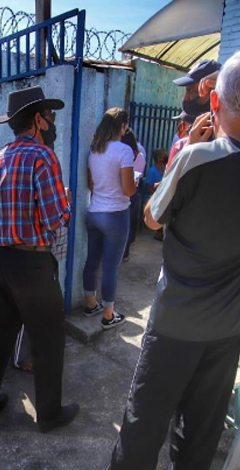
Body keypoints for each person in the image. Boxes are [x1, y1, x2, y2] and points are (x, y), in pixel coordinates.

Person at [110, 45, 240, 470]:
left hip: (176, 322)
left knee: (144, 424)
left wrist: (184, 152)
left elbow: (152, 218)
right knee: (202, 429)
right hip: (229, 326)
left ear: (213, 101)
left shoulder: (197, 158)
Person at [0, 86, 79, 432]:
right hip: (33, 265)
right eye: (50, 117)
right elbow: (54, 218)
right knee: (48, 340)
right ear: (37, 119)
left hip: (1, 260)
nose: (52, 123)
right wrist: (66, 203)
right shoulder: (43, 157)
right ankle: (48, 415)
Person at [82, 107, 136, 329]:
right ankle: (108, 316)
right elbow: (129, 190)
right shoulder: (124, 151)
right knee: (111, 268)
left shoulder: (94, 150)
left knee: (92, 261)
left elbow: (91, 185)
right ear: (122, 126)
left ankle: (90, 304)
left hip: (94, 212)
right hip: (116, 215)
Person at [166, 59, 222, 171]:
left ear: (213, 94)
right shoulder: (189, 140)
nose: (185, 98)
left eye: (191, 92)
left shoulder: (227, 143)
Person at [121, 129, 146, 262]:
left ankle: (122, 252)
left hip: (124, 191)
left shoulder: (124, 153)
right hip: (133, 191)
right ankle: (125, 252)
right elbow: (138, 175)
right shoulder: (140, 154)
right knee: (129, 222)